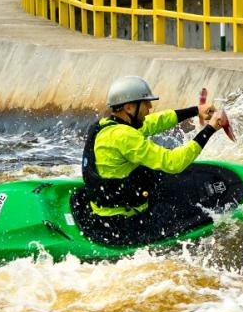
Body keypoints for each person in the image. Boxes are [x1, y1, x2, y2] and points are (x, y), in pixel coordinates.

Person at [73, 75, 226, 246]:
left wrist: (195, 110)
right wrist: (210, 129)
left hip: (102, 212)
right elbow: (174, 163)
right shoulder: (125, 137)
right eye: (145, 103)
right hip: (123, 223)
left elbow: (154, 122)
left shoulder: (106, 126)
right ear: (129, 108)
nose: (150, 107)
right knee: (189, 208)